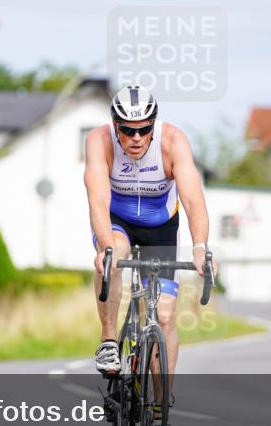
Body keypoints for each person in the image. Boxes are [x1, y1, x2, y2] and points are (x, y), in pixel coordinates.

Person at [83, 84, 218, 391]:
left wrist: (199, 248)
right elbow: (98, 203)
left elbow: (195, 200)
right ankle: (108, 341)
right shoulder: (99, 141)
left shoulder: (173, 142)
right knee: (113, 255)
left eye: (144, 130)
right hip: (118, 223)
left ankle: (159, 407)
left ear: (153, 126)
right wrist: (105, 248)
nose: (136, 138)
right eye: (128, 130)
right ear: (116, 126)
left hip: (161, 228)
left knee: (166, 316)